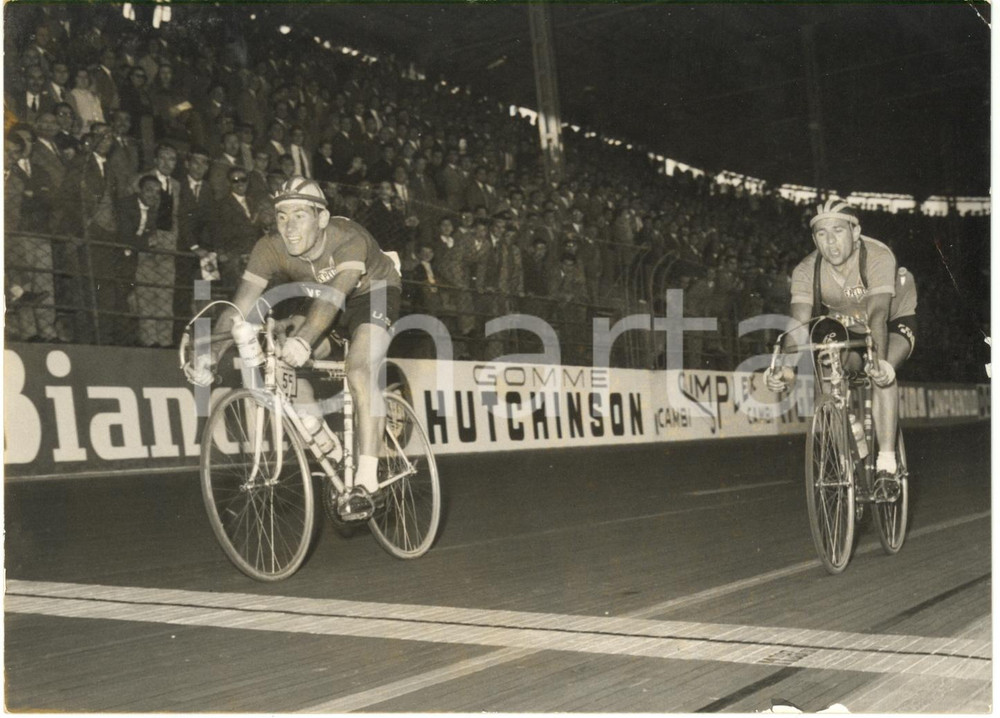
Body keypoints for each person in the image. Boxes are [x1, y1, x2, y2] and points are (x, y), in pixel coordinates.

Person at [184, 177, 403, 519]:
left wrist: (306, 339)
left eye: (299, 215)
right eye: (281, 216)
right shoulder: (269, 248)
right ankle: (320, 436)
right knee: (283, 359)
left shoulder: (349, 239)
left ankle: (368, 481)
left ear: (322, 219)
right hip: (324, 300)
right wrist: (211, 353)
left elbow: (336, 295)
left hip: (373, 293)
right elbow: (238, 308)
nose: (288, 227)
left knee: (359, 369)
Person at [765, 198, 917, 500]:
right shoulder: (807, 269)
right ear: (813, 238)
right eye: (822, 234)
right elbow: (798, 321)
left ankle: (886, 463)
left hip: (891, 318)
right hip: (847, 324)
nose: (830, 242)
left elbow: (877, 315)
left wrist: (878, 361)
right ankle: (851, 431)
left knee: (882, 373)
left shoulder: (877, 256)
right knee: (827, 362)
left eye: (838, 231)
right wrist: (785, 366)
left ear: (856, 230)